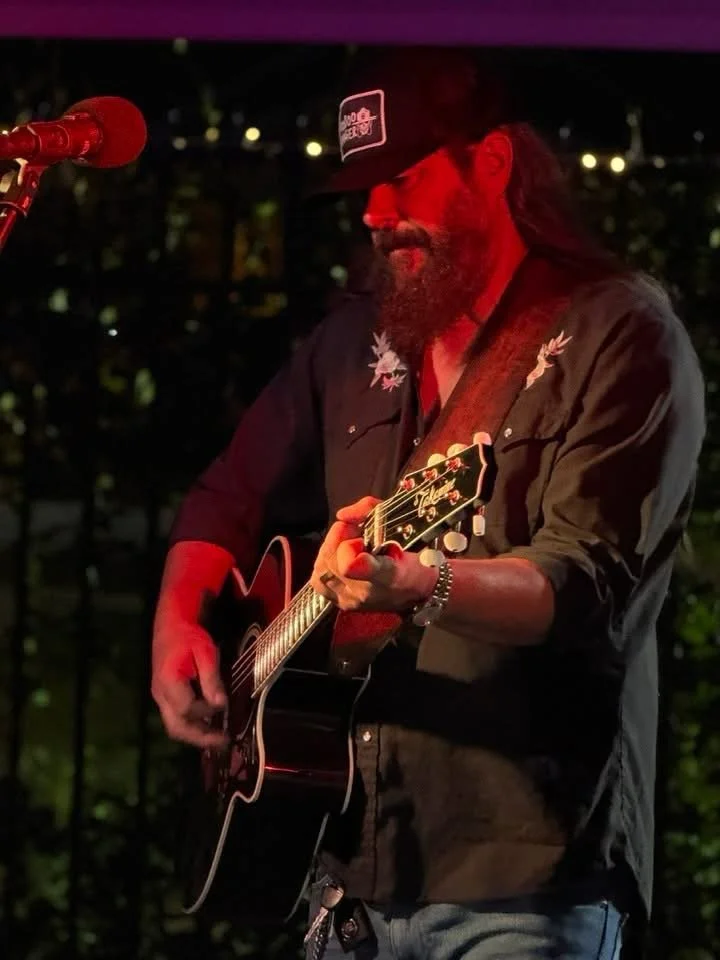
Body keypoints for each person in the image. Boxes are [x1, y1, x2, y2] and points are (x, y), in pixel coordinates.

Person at [151, 46, 705, 960]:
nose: (375, 214)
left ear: (492, 164)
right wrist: (178, 625)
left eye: (402, 179)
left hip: (522, 881)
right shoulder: (352, 340)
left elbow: (590, 587)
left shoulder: (617, 331)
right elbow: (225, 495)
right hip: (347, 882)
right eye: (364, 193)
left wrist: (419, 580)